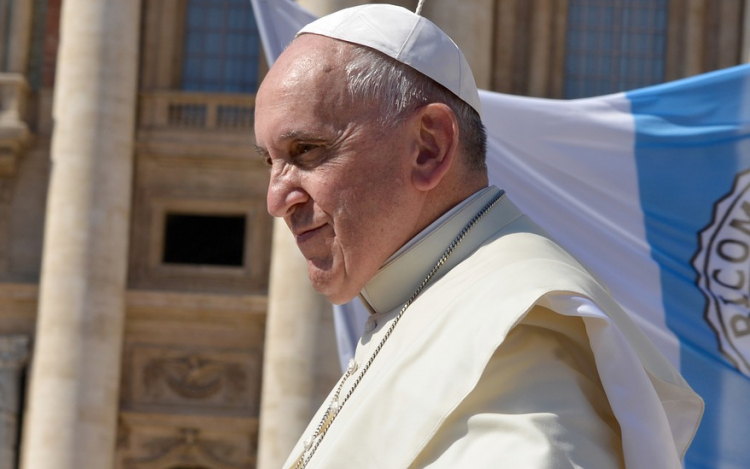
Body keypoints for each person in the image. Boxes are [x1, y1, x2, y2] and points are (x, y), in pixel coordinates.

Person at [253, 4, 703, 469]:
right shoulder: (413, 298)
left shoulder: (522, 335)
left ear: (429, 147)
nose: (275, 199)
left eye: (305, 151)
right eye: (269, 162)